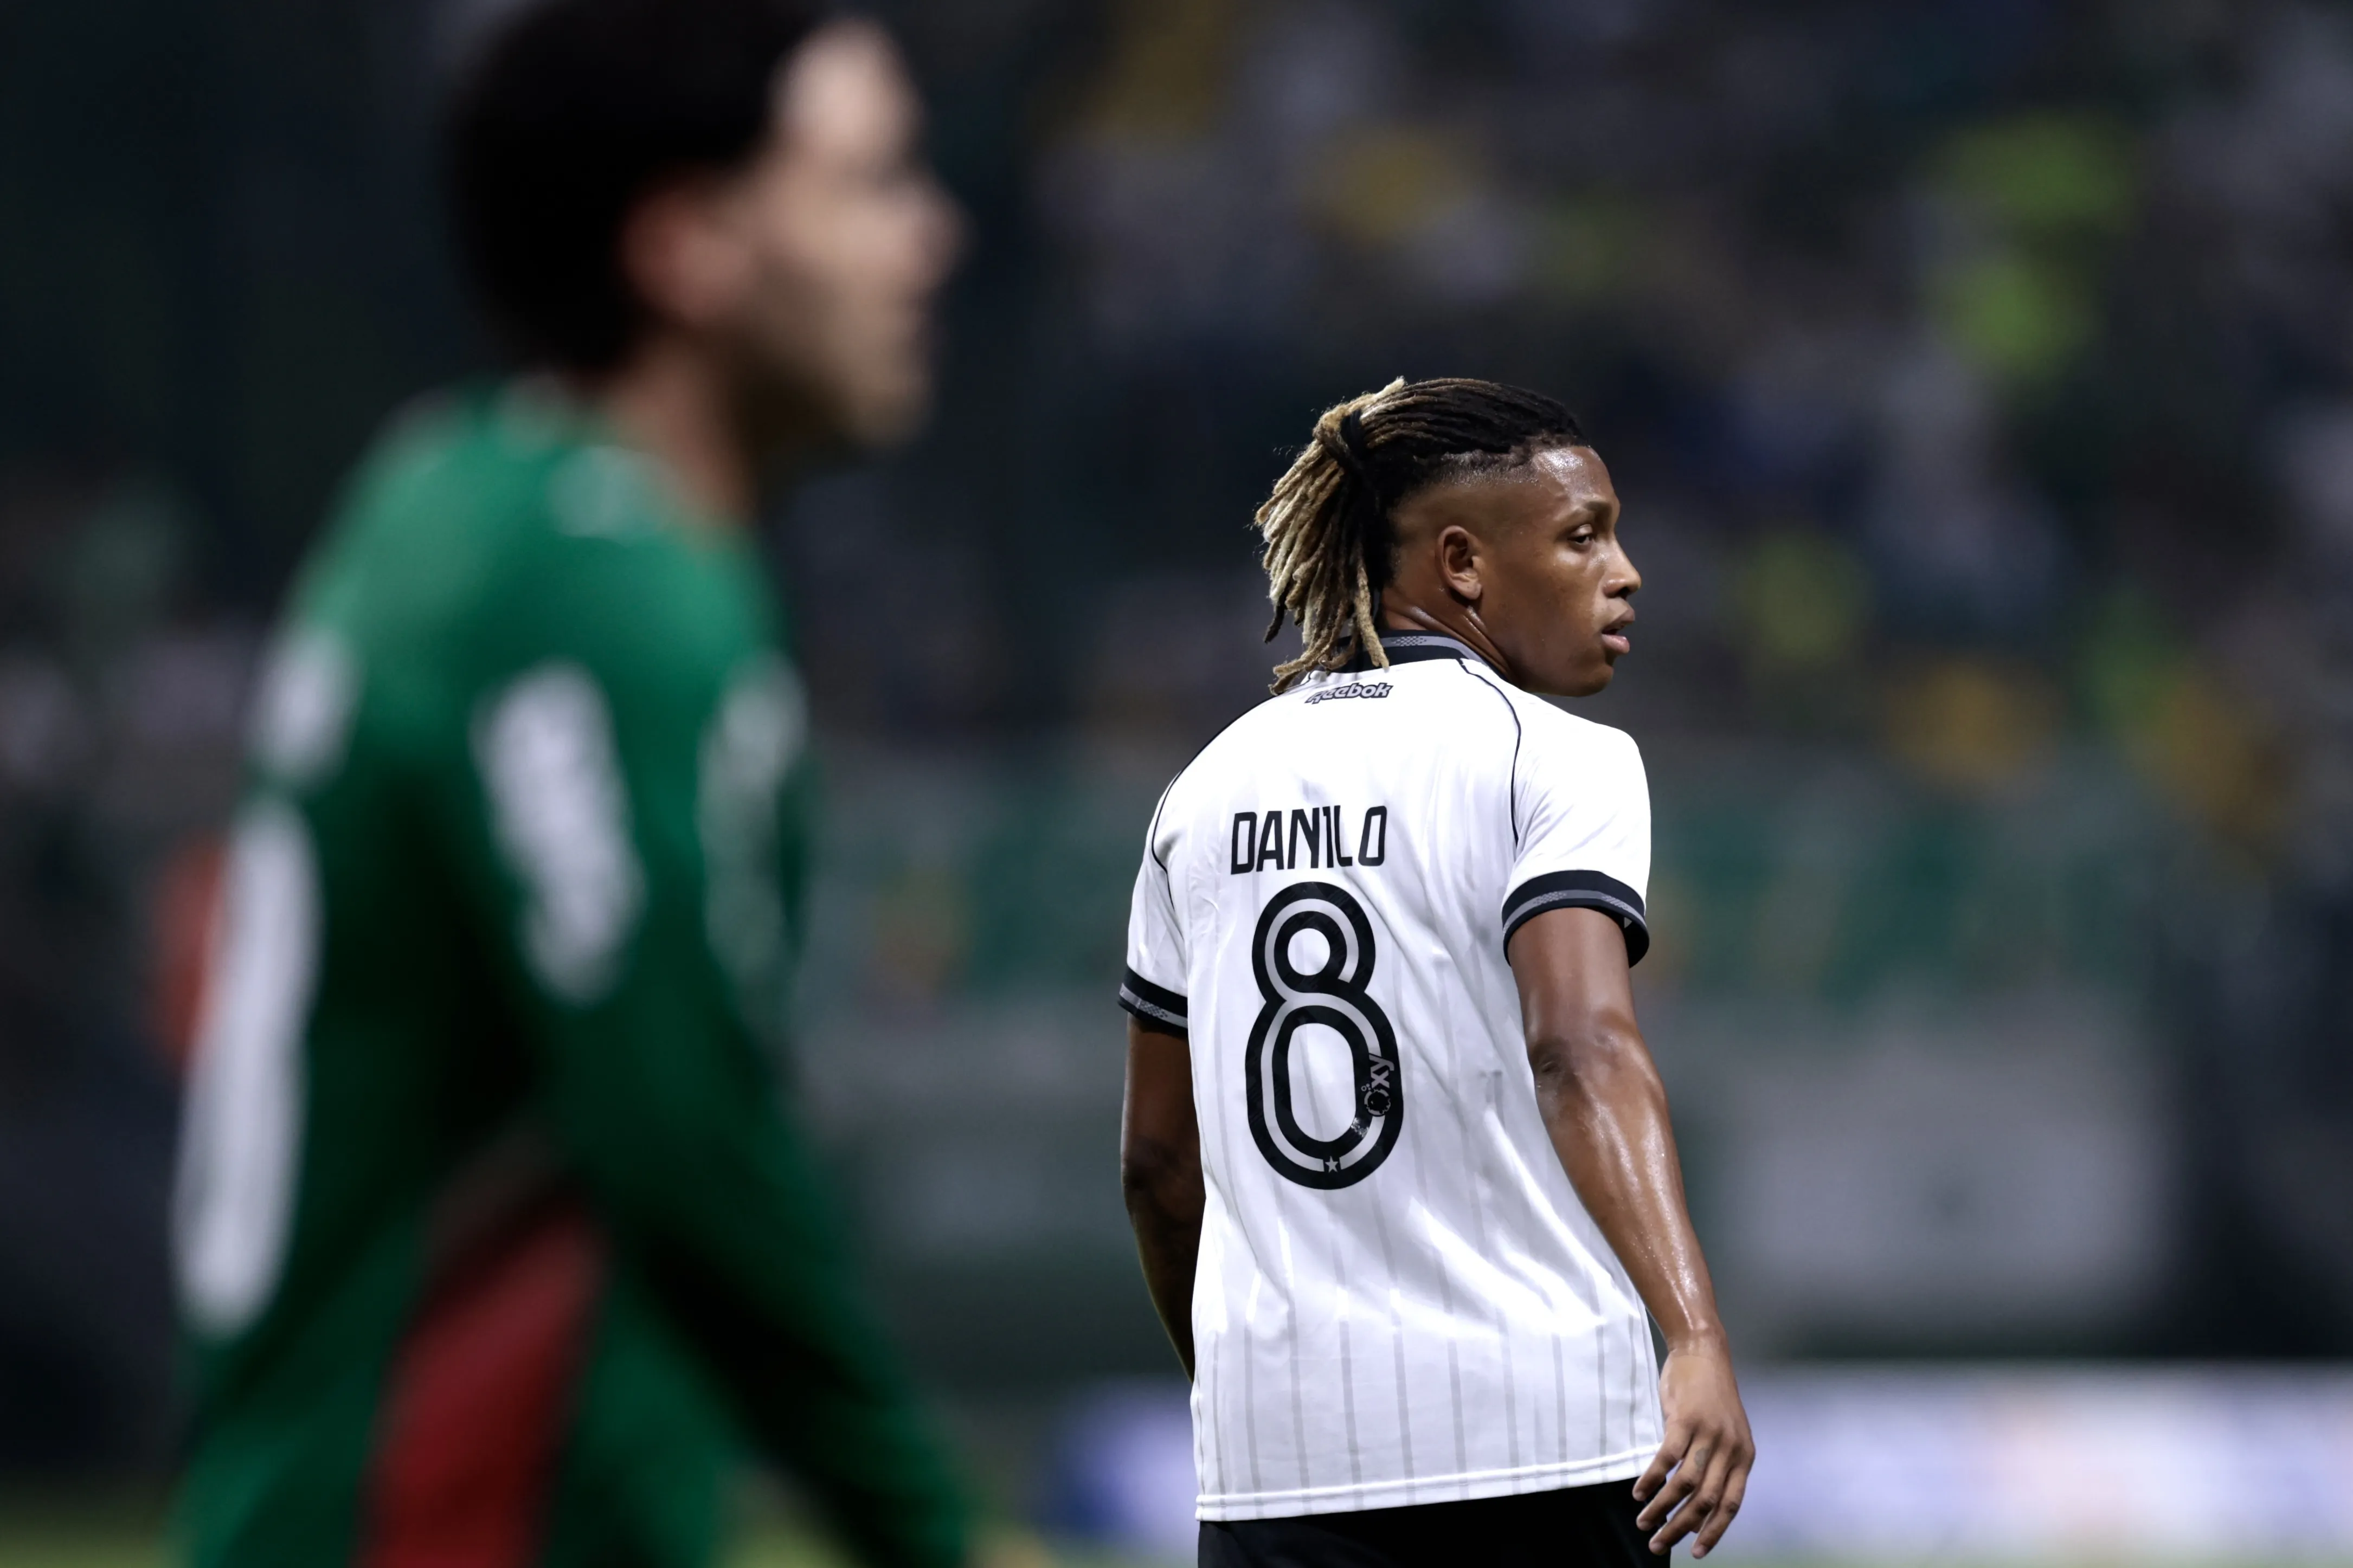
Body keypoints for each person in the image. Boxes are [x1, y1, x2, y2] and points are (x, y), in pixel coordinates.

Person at [168, 2, 967, 1564]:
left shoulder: (469, 503)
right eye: (869, 183)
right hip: (435, 1515)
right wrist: (927, 1527)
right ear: (687, 246)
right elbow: (683, 1126)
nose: (929, 239)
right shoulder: (581, 585)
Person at [1118, 378, 1754, 1566]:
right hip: (1542, 1444)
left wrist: (1260, 1402)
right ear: (1462, 564)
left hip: (1274, 1477)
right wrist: (1695, 1333)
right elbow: (1581, 1046)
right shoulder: (1556, 761)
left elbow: (1158, 1168)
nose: (1625, 572)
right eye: (1584, 535)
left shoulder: (1197, 793)